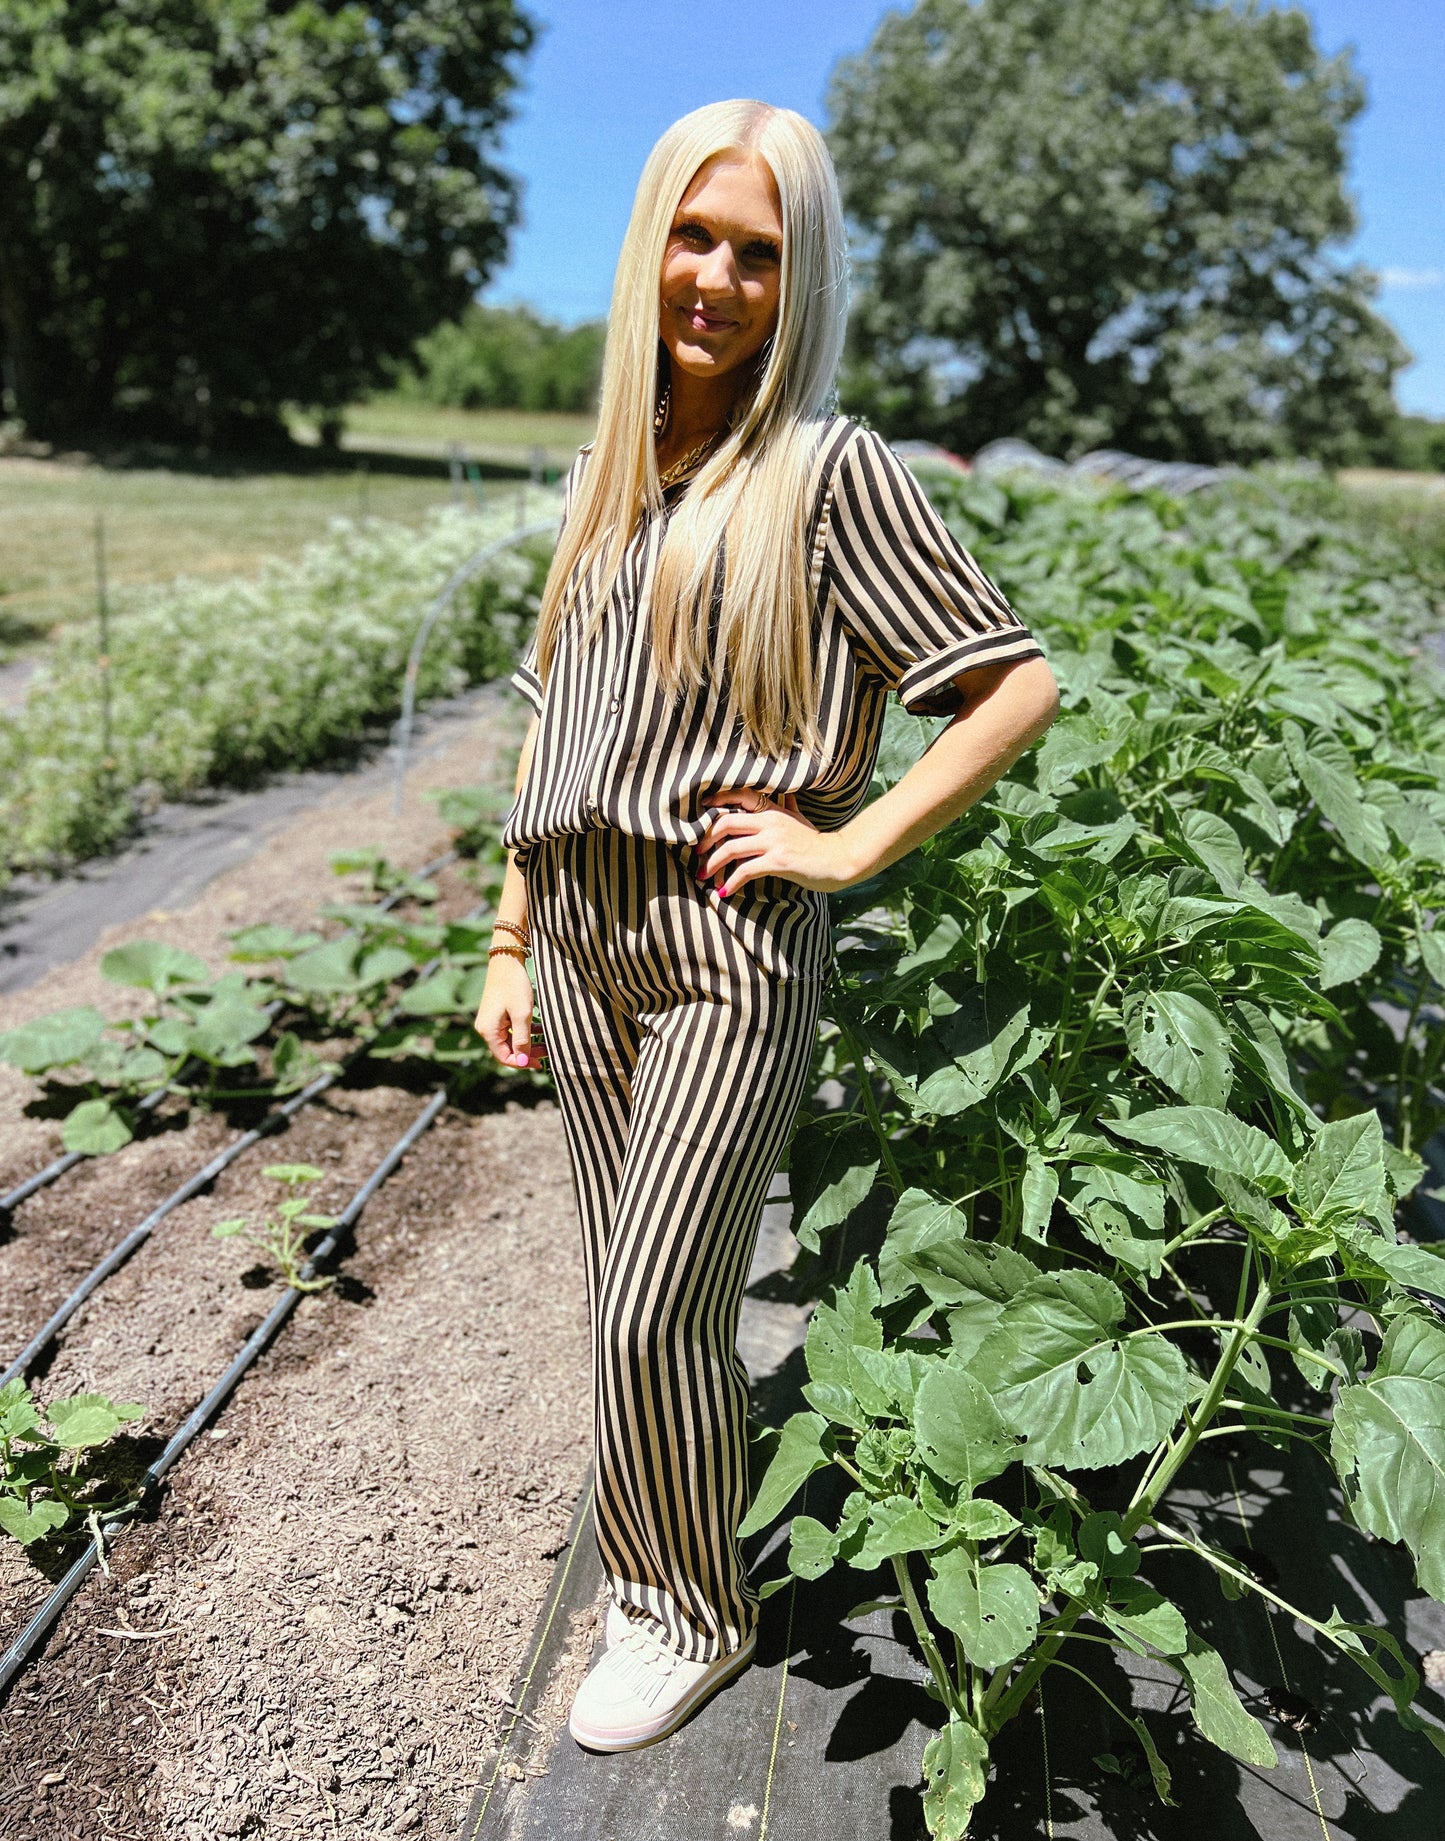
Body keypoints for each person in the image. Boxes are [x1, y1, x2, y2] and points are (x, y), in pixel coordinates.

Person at [472, 97, 1060, 1755]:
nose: (717, 277)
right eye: (694, 234)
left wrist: (848, 840)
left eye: (758, 251)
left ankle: (687, 1611)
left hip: (724, 937)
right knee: (619, 1287)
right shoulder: (614, 461)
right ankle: (670, 1540)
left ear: (798, 280)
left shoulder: (827, 471)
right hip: (580, 932)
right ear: (647, 241)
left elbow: (1010, 682)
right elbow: (551, 711)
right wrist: (509, 936)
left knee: (659, 1301)